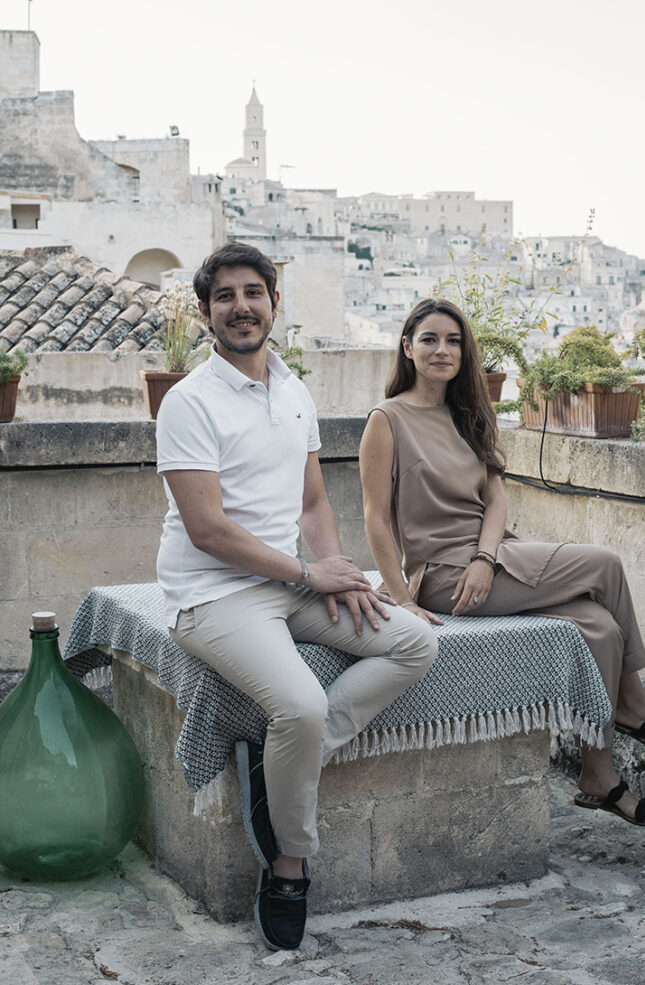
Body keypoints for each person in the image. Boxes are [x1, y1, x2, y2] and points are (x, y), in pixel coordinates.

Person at [154, 244, 437, 952]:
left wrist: (335, 563)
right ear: (205, 312)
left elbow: (311, 499)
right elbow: (208, 530)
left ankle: (282, 764)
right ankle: (289, 859)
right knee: (301, 704)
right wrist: (309, 574)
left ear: (276, 305)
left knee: (415, 640)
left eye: (255, 292)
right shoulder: (189, 402)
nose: (242, 305)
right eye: (226, 296)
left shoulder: (293, 390)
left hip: (288, 580)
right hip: (213, 593)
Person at [359, 297, 645, 830]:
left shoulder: (466, 414)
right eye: (429, 339)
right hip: (442, 577)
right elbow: (373, 518)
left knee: (598, 627)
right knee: (605, 564)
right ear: (407, 348)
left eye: (454, 341)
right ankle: (637, 704)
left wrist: (486, 556)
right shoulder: (386, 421)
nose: (442, 350)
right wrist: (405, 599)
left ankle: (597, 775)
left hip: (491, 557)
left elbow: (496, 495)